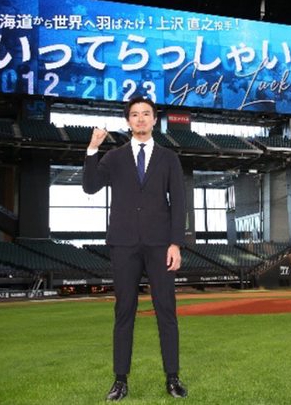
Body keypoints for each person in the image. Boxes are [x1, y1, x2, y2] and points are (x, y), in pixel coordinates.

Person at [82, 96, 188, 401]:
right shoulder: (114, 157)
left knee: (166, 311)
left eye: (146, 113)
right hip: (124, 244)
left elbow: (179, 202)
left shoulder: (169, 158)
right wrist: (92, 149)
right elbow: (90, 186)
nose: (140, 119)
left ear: (154, 119)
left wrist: (175, 243)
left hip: (160, 245)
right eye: (135, 114)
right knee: (124, 311)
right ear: (128, 121)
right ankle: (120, 380)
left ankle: (172, 378)